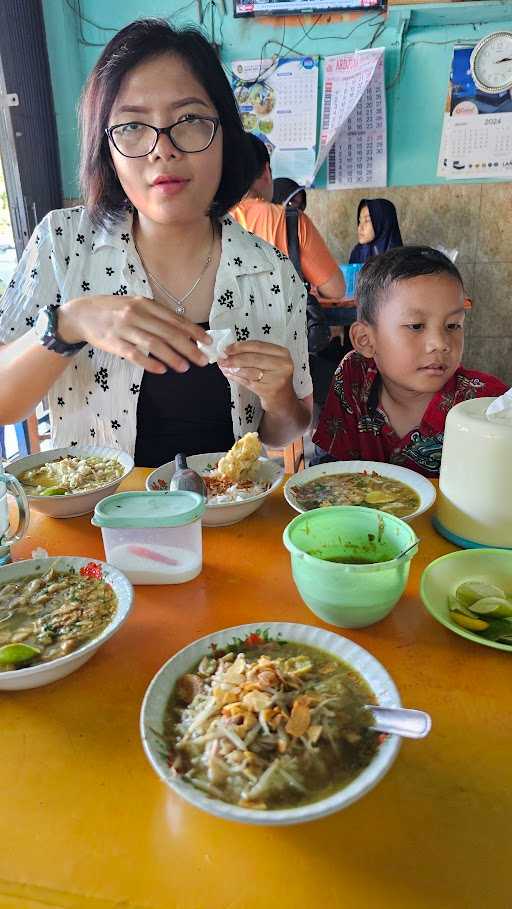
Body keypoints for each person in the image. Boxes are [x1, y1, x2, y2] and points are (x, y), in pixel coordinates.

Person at [0, 19, 312, 467]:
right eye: (132, 126)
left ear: (224, 132)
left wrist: (280, 396)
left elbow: (285, 432)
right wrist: (71, 322)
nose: (162, 149)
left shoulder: (271, 273)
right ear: (104, 146)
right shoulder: (63, 244)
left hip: (224, 522)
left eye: (189, 120)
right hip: (97, 526)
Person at [313, 246, 507, 477]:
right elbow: (331, 471)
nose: (440, 343)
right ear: (366, 340)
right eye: (416, 326)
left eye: (453, 325)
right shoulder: (354, 378)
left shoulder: (487, 403)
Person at [231, 135, 345, 301]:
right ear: (266, 172)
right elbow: (336, 289)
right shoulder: (291, 221)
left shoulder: (207, 222)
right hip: (284, 325)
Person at [349, 198, 403, 265]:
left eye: (367, 220)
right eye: (360, 221)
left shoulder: (399, 259)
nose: (360, 227)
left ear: (383, 223)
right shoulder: (357, 253)